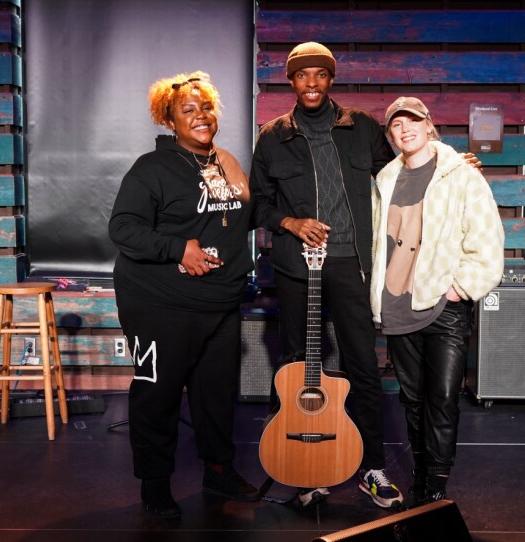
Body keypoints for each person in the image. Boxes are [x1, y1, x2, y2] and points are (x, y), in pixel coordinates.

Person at [250, 42, 404, 509]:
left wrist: (451, 169)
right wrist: (290, 223)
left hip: (351, 264)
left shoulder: (362, 128)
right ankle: (301, 465)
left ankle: (372, 467)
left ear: (331, 79)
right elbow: (257, 203)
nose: (311, 83)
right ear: (290, 81)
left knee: (362, 362)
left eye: (320, 74)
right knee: (297, 364)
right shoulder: (273, 136)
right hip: (297, 266)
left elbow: (401, 177)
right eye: (302, 76)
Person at [109, 71, 259, 520]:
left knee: (216, 394)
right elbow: (123, 228)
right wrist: (179, 247)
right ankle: (155, 485)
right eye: (187, 110)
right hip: (160, 302)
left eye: (205, 107)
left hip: (220, 302)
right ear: (169, 120)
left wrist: (289, 221)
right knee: (159, 396)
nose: (200, 116)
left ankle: (219, 469)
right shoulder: (151, 168)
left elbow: (244, 214)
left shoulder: (225, 162)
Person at [370, 96, 505, 508]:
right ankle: (421, 473)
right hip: (398, 304)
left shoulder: (461, 175)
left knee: (443, 397)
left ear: (430, 126)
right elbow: (379, 243)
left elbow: (486, 239)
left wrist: (460, 288)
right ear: (390, 136)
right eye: (396, 124)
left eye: (413, 120)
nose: (404, 128)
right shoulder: (385, 180)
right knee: (412, 399)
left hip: (444, 306)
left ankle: (436, 485)